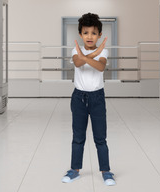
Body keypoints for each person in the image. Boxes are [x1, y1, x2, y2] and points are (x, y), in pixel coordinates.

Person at [62, 13, 116, 186]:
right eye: (86, 33)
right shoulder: (75, 51)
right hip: (79, 98)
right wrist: (91, 55)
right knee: (78, 137)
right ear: (80, 34)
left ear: (99, 35)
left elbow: (100, 67)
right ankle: (74, 170)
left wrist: (87, 56)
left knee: (100, 137)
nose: (90, 36)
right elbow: (78, 63)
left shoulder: (104, 51)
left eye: (93, 33)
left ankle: (106, 171)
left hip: (97, 98)